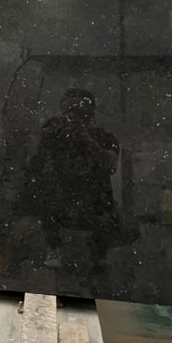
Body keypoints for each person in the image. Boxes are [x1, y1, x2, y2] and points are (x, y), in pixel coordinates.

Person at [29, 88, 120, 269]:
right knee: (45, 192)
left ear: (91, 114)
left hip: (94, 200)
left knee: (108, 216)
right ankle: (54, 247)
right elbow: (35, 165)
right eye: (70, 112)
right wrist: (47, 138)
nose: (75, 118)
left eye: (80, 113)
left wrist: (88, 140)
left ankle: (99, 253)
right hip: (61, 197)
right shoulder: (56, 132)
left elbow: (111, 165)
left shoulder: (103, 136)